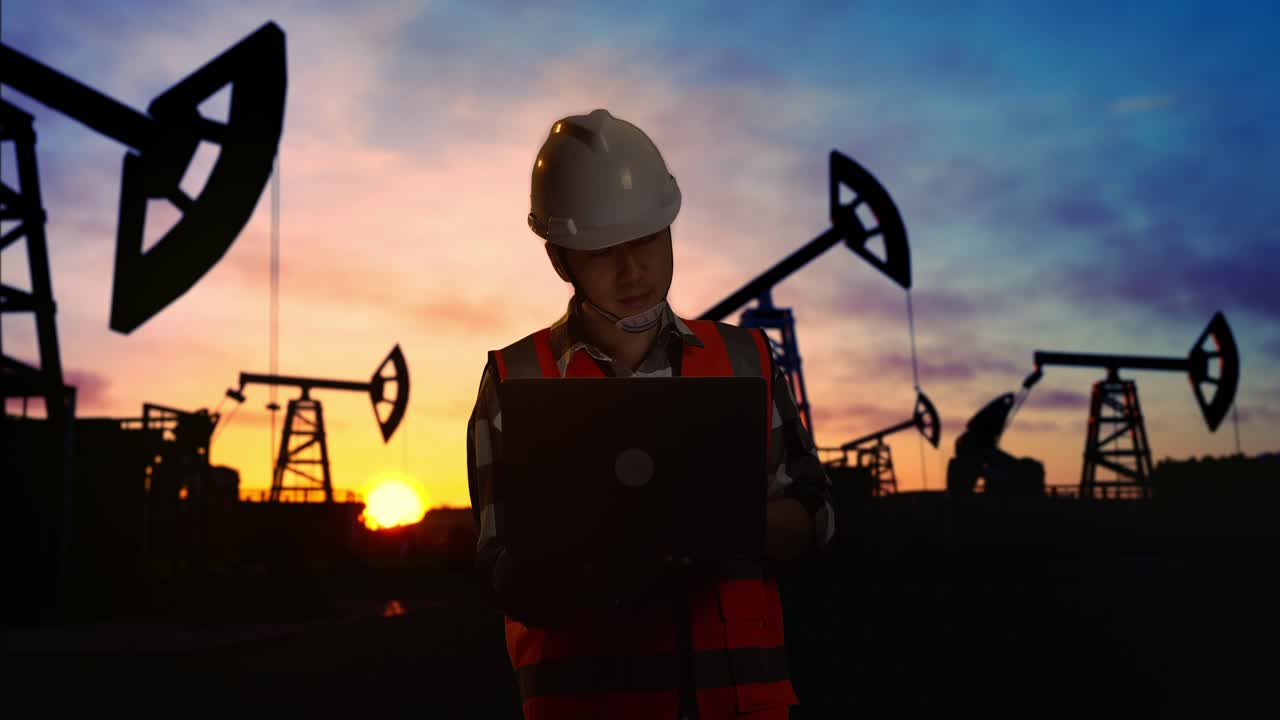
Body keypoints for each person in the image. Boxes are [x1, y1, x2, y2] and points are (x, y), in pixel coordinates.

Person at [467, 108, 835, 720]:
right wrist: (590, 564)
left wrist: (719, 523)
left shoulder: (746, 360)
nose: (633, 269)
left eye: (647, 240)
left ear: (670, 229)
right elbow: (497, 567)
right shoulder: (516, 379)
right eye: (604, 251)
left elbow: (818, 515)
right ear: (561, 260)